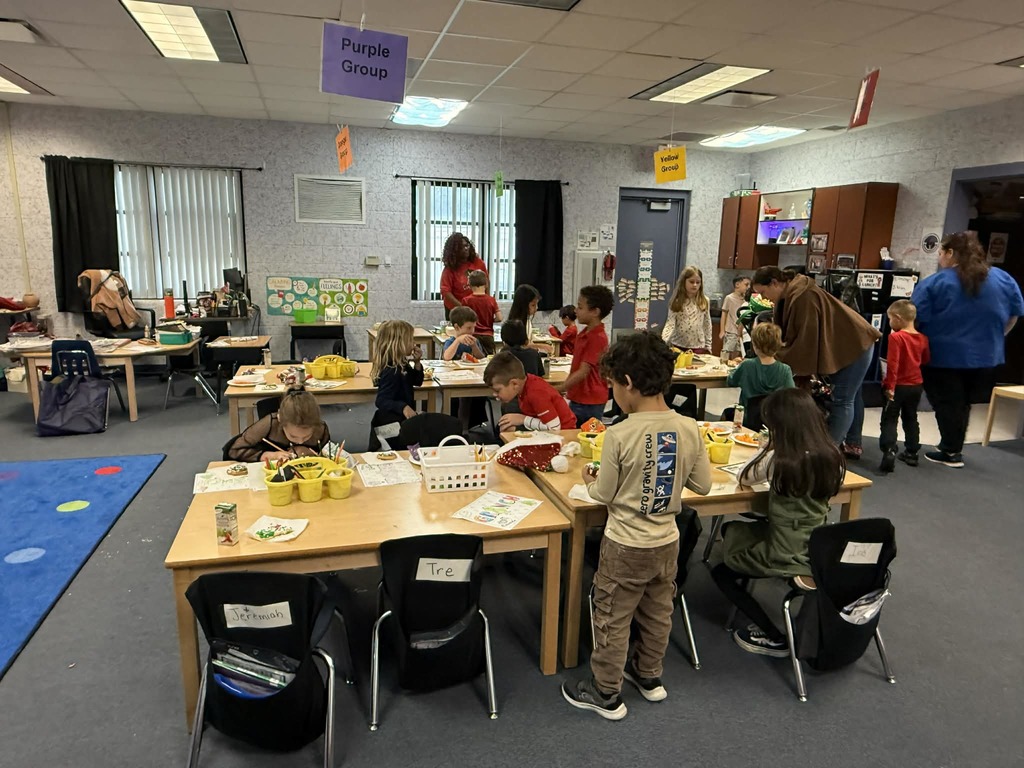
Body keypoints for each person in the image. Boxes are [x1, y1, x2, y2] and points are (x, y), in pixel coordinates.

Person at [562, 331, 711, 720]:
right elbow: (703, 485)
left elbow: (605, 493)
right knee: (658, 612)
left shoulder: (619, 433)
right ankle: (649, 676)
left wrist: (591, 477)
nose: (613, 393)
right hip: (667, 543)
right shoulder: (690, 427)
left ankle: (606, 692)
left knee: (612, 615)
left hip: (626, 544)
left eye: (612, 385)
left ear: (627, 382)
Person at [711, 388, 845, 657]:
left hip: (784, 550)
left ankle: (773, 636)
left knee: (720, 572)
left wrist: (768, 447)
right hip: (817, 547)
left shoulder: (779, 460)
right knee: (732, 531)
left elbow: (745, 476)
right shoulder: (832, 456)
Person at [912, 231, 1023, 468]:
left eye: (941, 252)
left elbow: (916, 320)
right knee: (964, 403)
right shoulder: (1003, 279)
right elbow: (1014, 314)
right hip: (986, 356)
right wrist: (994, 337)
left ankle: (951, 451)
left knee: (947, 403)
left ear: (950, 253)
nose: (940, 257)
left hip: (943, 355)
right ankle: (952, 446)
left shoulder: (936, 283)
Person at [751, 265, 881, 452]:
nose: (764, 299)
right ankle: (849, 443)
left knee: (843, 400)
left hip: (854, 345)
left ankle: (827, 452)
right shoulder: (794, 292)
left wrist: (776, 355)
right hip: (847, 342)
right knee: (850, 397)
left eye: (763, 292)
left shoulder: (803, 295)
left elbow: (805, 341)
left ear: (775, 283)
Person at [878, 300, 930, 473]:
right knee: (910, 417)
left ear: (898, 318)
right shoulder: (923, 338)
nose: (890, 323)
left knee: (889, 418)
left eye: (891, 319)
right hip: (916, 385)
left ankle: (889, 450)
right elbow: (925, 360)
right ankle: (912, 451)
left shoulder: (896, 337)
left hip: (898, 385)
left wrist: (889, 386)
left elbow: (893, 364)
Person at [227, 387, 331, 463]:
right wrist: (267, 455)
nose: (300, 441)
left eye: (307, 436)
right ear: (280, 419)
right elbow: (233, 451)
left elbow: (329, 457)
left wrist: (310, 452)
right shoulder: (269, 425)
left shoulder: (320, 429)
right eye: (293, 436)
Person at [484, 351, 576, 432]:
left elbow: (554, 428)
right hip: (547, 427)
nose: (494, 394)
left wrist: (523, 419)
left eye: (497, 390)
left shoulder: (536, 393)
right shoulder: (525, 384)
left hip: (564, 432)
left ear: (514, 384)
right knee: (505, 427)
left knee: (509, 429)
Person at [561, 285, 614, 425]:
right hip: (580, 396)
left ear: (595, 312)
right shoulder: (584, 333)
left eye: (580, 307)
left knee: (588, 437)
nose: (575, 310)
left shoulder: (597, 337)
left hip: (590, 400)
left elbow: (584, 371)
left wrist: (560, 388)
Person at [369, 320, 424, 451]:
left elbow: (417, 381)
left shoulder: (402, 364)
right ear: (399, 343)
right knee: (396, 451)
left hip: (400, 419)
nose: (413, 343)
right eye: (410, 339)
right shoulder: (391, 370)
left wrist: (417, 363)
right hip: (391, 422)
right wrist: (403, 407)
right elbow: (381, 401)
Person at [725, 322, 795, 406]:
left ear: (754, 346)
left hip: (749, 417)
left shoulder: (746, 365)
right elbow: (791, 395)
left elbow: (731, 381)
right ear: (777, 346)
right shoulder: (785, 370)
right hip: (774, 417)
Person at [661, 266, 712, 352]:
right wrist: (663, 342)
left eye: (698, 282)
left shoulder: (704, 301)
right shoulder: (676, 301)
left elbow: (707, 324)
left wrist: (708, 345)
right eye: (691, 282)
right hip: (678, 344)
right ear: (683, 282)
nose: (695, 285)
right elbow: (670, 323)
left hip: (698, 346)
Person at [439, 232, 487, 316]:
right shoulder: (450, 268)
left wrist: (486, 301)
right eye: (462, 247)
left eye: (467, 245)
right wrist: (462, 307)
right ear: (455, 250)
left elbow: (486, 282)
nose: (466, 248)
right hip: (456, 308)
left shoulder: (478, 262)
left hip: (475, 306)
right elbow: (446, 292)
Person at [462, 270, 501, 356]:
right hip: (488, 335)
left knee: (473, 360)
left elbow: (463, 319)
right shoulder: (491, 300)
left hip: (472, 336)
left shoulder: (466, 300)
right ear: (486, 284)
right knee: (487, 360)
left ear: (470, 285)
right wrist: (491, 319)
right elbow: (500, 317)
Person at [507, 284, 550, 353]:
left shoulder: (527, 321)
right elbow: (521, 347)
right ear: (523, 305)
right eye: (533, 305)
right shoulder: (515, 325)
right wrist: (541, 346)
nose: (537, 308)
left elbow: (527, 343)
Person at [720, 275, 750, 361]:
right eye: (746, 284)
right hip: (730, 331)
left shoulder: (745, 300)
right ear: (737, 284)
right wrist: (722, 330)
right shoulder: (729, 298)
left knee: (737, 353)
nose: (748, 287)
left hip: (740, 332)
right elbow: (724, 313)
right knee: (726, 352)